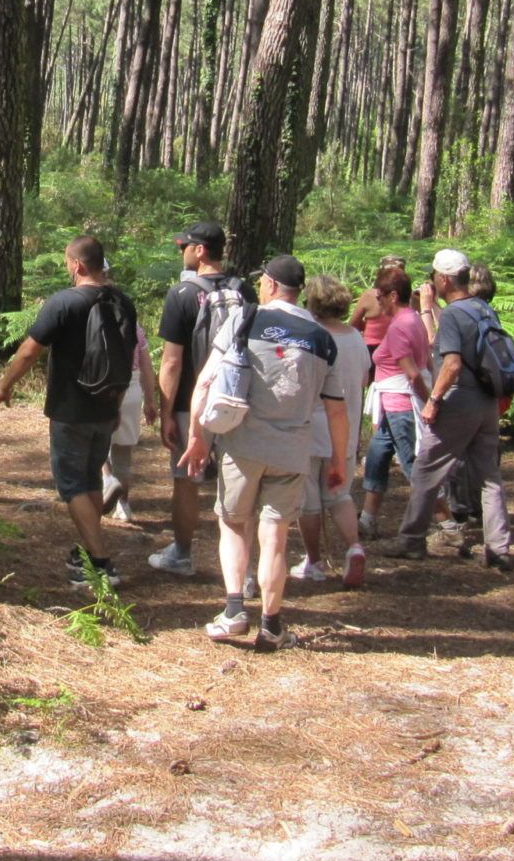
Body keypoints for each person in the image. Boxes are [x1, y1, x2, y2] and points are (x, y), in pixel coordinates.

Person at [180, 254, 347, 651]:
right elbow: (337, 409)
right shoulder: (323, 338)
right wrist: (340, 460)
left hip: (242, 446)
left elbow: (205, 382)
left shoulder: (246, 319)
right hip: (292, 450)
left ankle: (235, 610)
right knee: (275, 535)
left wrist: (197, 436)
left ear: (270, 285)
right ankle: (272, 623)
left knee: (234, 524)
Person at [0, 235, 140, 588]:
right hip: (105, 406)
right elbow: (126, 357)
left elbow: (28, 352)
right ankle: (86, 553)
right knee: (88, 480)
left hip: (71, 410)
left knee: (71, 484)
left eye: (67, 262)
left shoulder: (64, 302)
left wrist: (3, 386)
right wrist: (116, 405)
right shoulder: (123, 302)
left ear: (78, 265)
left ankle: (101, 564)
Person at [381, 249, 514, 571]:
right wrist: (429, 309)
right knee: (489, 477)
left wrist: (434, 400)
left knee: (427, 467)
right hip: (486, 402)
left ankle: (411, 539)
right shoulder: (482, 308)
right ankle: (499, 548)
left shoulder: (455, 314)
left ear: (443, 279)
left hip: (459, 401)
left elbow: (452, 363)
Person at [147, 222, 248, 578]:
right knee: (239, 481)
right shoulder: (245, 290)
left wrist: (166, 412)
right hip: (238, 401)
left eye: (183, 246)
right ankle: (245, 571)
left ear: (200, 250)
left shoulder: (181, 294)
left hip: (194, 403)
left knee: (187, 480)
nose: (181, 252)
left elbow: (172, 361)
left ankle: (183, 554)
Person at [293, 275, 371, 589]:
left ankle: (313, 561)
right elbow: (364, 379)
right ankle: (354, 547)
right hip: (346, 430)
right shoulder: (355, 338)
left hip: (312, 430)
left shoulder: (309, 337)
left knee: (308, 501)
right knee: (340, 496)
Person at [358, 265, 430, 539]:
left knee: (413, 465)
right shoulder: (412, 318)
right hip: (390, 406)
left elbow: (412, 372)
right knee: (377, 455)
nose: (376, 303)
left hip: (401, 405)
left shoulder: (401, 326)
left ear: (392, 295)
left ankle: (444, 525)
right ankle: (367, 519)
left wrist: (430, 403)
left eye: (379, 296)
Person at [102, 316, 161, 522]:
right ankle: (123, 505)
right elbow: (146, 366)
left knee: (98, 442)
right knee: (123, 452)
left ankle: (107, 481)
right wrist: (151, 401)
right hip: (133, 388)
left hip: (104, 385)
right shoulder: (135, 326)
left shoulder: (97, 321)